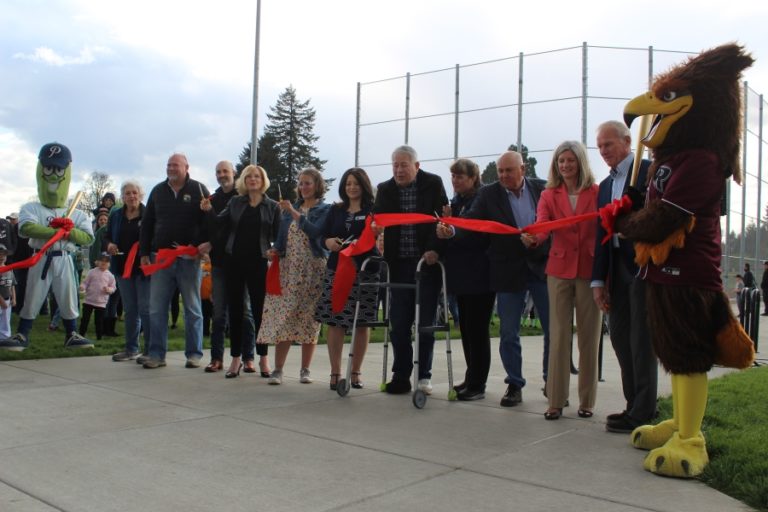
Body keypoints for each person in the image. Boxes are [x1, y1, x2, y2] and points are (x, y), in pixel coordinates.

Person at [461, 150, 550, 406]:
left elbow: (555, 222)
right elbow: (472, 221)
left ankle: (552, 381)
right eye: (500, 171)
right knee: (508, 332)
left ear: (523, 169)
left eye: (508, 170)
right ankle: (514, 384)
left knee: (552, 330)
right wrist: (452, 228)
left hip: (541, 267)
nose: (503, 175)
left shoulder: (543, 188)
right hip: (507, 270)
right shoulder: (489, 194)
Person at [591, 120, 657, 433]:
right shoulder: (604, 187)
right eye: (600, 146)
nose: (604, 151)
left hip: (643, 265)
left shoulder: (649, 171)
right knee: (619, 336)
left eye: (609, 144)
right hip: (615, 267)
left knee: (641, 340)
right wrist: (598, 281)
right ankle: (633, 403)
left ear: (628, 142)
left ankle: (643, 410)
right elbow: (599, 234)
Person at [0, 142, 95, 351]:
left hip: (64, 257)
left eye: (59, 169)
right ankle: (22, 334)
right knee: (33, 296)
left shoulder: (76, 213)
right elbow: (26, 228)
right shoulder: (31, 207)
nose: (53, 175)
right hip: (40, 256)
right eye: (49, 168)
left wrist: (68, 231)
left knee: (68, 296)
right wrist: (57, 230)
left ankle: (72, 333)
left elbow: (88, 238)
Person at [373, 145, 448, 395]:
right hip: (398, 264)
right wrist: (377, 236)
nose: (399, 169)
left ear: (416, 166)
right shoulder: (385, 189)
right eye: (395, 164)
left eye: (404, 165)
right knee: (399, 322)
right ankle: (401, 374)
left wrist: (434, 249)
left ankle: (424, 375)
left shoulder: (433, 184)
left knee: (425, 322)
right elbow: (379, 221)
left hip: (425, 264)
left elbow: (442, 219)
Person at [535, 141, 601, 420]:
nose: (565, 165)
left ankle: (587, 400)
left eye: (570, 160)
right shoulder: (549, 194)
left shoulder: (596, 192)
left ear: (581, 162)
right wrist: (531, 237)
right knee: (559, 336)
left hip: (589, 270)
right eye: (561, 161)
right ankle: (556, 400)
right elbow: (541, 226)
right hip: (559, 270)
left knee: (589, 337)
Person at [202, 164, 280, 378]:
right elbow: (219, 223)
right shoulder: (236, 202)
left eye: (257, 176)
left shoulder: (272, 205)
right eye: (249, 176)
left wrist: (275, 249)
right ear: (243, 181)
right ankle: (236, 358)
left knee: (258, 311)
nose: (253, 179)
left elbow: (278, 234)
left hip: (258, 262)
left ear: (262, 180)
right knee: (235, 311)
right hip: (234, 261)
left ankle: (263, 358)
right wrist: (209, 211)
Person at [258, 167, 330, 385]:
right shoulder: (289, 211)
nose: (303, 187)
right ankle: (278, 369)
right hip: (289, 271)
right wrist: (274, 251)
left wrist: (294, 213)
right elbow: (281, 240)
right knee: (285, 317)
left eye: (307, 183)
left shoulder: (324, 210)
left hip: (313, 270)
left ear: (317, 185)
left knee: (309, 319)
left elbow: (316, 232)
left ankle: (305, 369)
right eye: (300, 183)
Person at [139, 153, 211, 369]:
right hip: (160, 258)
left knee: (192, 307)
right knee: (156, 308)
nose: (171, 168)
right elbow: (148, 222)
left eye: (175, 165)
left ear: (186, 167)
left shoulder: (199, 190)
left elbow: (208, 221)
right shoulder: (158, 191)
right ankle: (156, 354)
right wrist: (144, 252)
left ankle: (194, 354)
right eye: (168, 165)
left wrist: (201, 246)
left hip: (189, 258)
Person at [314, 168, 378, 390]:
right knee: (335, 321)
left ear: (364, 185)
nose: (352, 187)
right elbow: (320, 236)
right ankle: (335, 372)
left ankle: (356, 372)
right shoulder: (336, 210)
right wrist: (328, 243)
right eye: (348, 183)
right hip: (337, 269)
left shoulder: (374, 210)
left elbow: (378, 237)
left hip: (365, 271)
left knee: (362, 322)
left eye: (356, 183)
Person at [436, 158, 495, 400]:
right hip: (461, 274)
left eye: (460, 176)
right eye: (453, 176)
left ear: (473, 178)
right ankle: (471, 377)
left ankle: (478, 383)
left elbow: (471, 227)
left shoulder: (481, 198)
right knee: (466, 328)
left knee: (477, 329)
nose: (455, 181)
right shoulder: (456, 202)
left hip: (481, 274)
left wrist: (451, 229)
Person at [104, 180, 151, 361]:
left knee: (146, 309)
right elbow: (106, 236)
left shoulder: (148, 215)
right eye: (128, 193)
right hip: (122, 268)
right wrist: (109, 245)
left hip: (143, 268)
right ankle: (131, 349)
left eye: (135, 193)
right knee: (130, 310)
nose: (131, 196)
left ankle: (150, 351)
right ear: (122, 197)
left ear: (140, 195)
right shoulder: (116, 216)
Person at [79, 253, 116, 340]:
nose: (103, 263)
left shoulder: (110, 275)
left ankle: (99, 337)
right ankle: (81, 335)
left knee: (99, 321)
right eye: (101, 261)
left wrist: (108, 289)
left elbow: (113, 287)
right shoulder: (92, 272)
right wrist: (82, 287)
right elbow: (85, 282)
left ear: (109, 264)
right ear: (97, 262)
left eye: (106, 261)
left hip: (101, 302)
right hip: (89, 300)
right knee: (85, 319)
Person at [6, 213, 31, 314]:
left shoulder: (17, 228)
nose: (12, 221)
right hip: (23, 260)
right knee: (21, 284)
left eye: (13, 219)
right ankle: (18, 306)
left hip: (20, 260)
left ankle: (17, 306)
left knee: (18, 284)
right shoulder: (28, 228)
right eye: (11, 219)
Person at [0, 244, 16, 339]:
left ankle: (5, 337)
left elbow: (12, 285)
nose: (1, 257)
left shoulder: (9, 269)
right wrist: (2, 302)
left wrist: (13, 298)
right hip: (1, 301)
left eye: (3, 255)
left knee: (6, 320)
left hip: (7, 300)